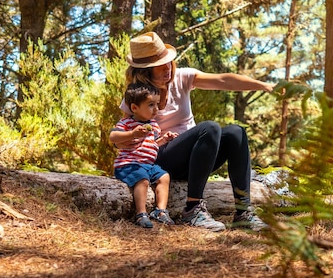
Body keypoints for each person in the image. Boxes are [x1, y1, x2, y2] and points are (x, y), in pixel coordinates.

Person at [110, 31, 274, 232]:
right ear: (146, 71)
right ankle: (193, 209)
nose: (167, 68)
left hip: (198, 159)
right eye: (160, 66)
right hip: (160, 159)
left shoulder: (182, 77)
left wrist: (264, 86)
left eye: (168, 62)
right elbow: (120, 137)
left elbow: (223, 80)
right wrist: (136, 138)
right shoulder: (138, 95)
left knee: (236, 133)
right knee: (210, 128)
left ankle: (243, 213)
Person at [110, 82, 178, 228]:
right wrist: (132, 134)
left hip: (148, 165)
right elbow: (113, 137)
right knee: (143, 180)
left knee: (164, 176)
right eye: (151, 105)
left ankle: (160, 211)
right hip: (129, 164)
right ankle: (141, 214)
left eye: (157, 104)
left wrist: (164, 139)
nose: (156, 109)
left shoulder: (153, 125)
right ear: (134, 108)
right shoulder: (127, 123)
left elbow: (152, 144)